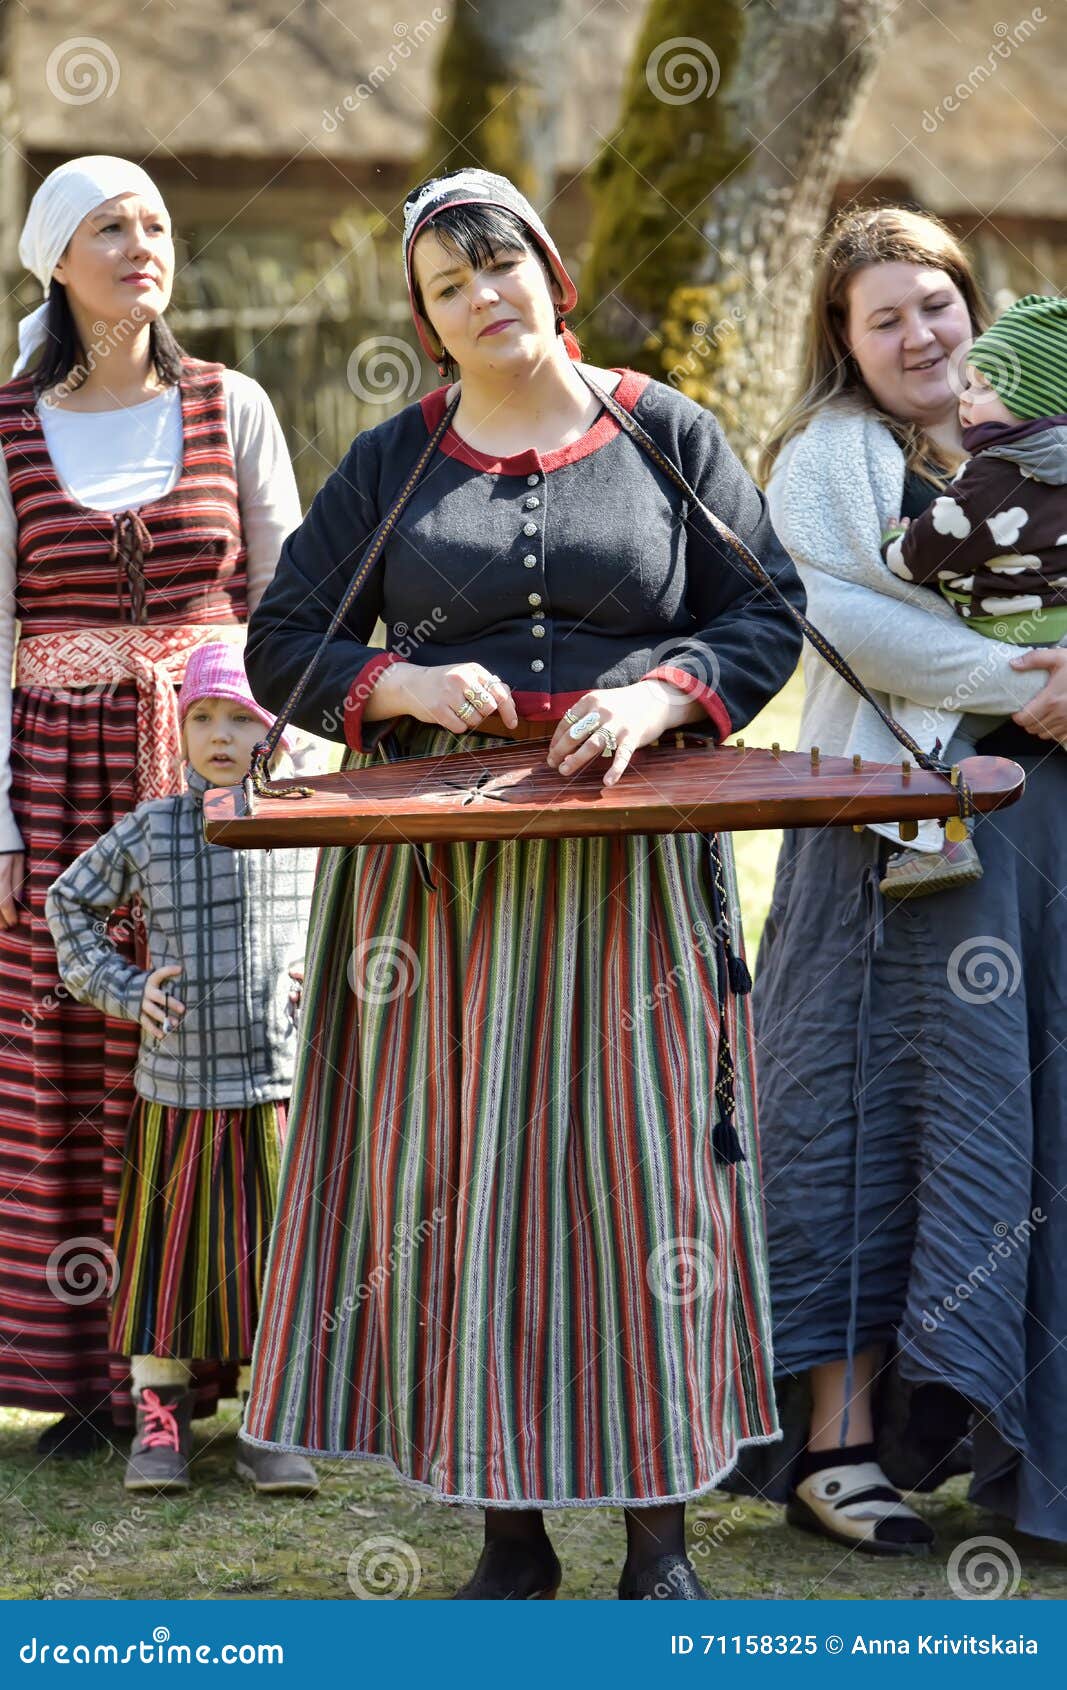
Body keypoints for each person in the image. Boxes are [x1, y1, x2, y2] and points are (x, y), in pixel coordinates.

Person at [239, 167, 806, 1600]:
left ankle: (657, 1538)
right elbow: (282, 640)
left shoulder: (661, 427)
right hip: (443, 892)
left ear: (549, 273)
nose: (482, 296)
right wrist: (405, 678)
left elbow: (766, 608)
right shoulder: (390, 461)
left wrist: (670, 692)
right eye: (446, 283)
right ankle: (507, 1535)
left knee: (643, 1184)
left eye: (499, 265)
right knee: (467, 1183)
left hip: (631, 874)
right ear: (426, 321)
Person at [726, 206, 1067, 1554]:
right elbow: (843, 612)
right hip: (889, 835)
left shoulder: (1034, 432)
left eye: (935, 304)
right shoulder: (831, 457)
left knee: (1024, 1124)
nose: (919, 333)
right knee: (859, 1126)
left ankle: (1021, 1455)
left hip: (1035, 840)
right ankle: (836, 1449)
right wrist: (1028, 682)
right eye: (885, 316)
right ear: (843, 343)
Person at [0, 156, 302, 1457]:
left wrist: (285, 776)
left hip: (215, 769)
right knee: (72, 1059)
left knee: (214, 1061)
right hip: (58, 777)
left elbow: (292, 607)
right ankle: (93, 1372)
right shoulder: (8, 424)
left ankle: (227, 1366)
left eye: (156, 224)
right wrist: (0, 826)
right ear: (56, 259)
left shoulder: (229, 405)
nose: (143, 244)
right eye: (110, 227)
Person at [44, 645, 317, 1495]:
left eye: (242, 717)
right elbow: (68, 903)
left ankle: (271, 1425)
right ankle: (157, 1423)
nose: (221, 735)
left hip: (276, 1089)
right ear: (181, 728)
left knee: (276, 1262)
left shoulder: (305, 823)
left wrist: (326, 971)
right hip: (176, 1095)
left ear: (274, 728)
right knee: (165, 1264)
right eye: (203, 717)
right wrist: (125, 989)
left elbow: (355, 913)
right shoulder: (154, 826)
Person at [877, 293, 1067, 897]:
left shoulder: (995, 474)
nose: (965, 397)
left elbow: (920, 557)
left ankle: (936, 845)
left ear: (1032, 399)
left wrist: (894, 538)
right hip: (1058, 633)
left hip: (1007, 640)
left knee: (940, 738)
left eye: (983, 387)